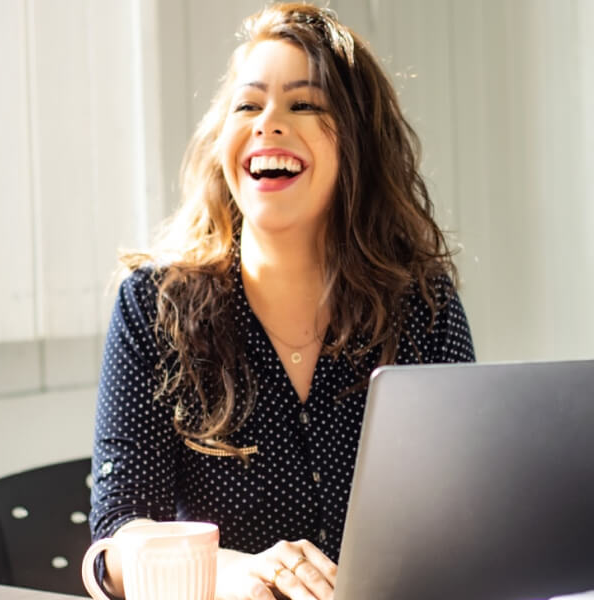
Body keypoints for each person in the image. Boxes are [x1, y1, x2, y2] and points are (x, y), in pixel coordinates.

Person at [89, 3, 475, 599]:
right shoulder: (152, 309)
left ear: (357, 144)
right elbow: (116, 544)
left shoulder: (423, 306)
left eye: (304, 104)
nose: (268, 123)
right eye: (247, 105)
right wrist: (231, 570)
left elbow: (469, 515)